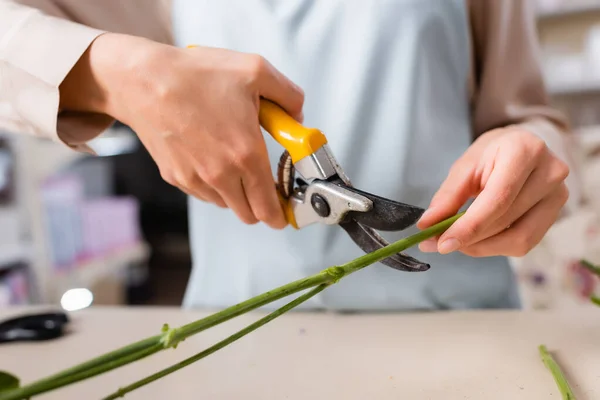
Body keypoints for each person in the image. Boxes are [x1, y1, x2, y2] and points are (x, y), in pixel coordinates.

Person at [0, 0, 577, 311]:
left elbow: (529, 117)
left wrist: (530, 150)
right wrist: (120, 74)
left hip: (463, 325)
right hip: (244, 334)